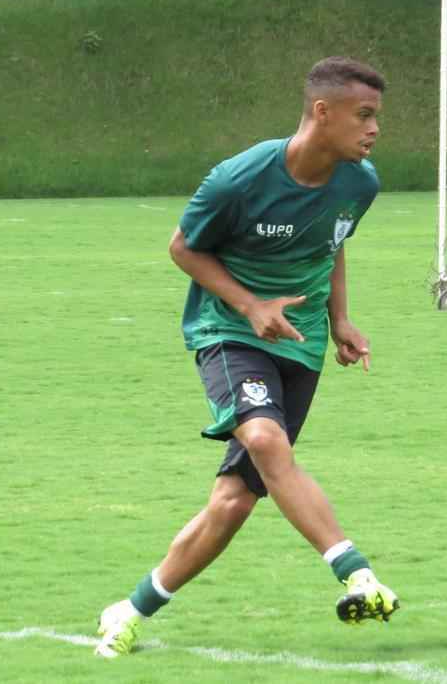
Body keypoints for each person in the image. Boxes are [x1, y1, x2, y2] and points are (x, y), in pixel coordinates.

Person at [95, 57, 398, 658]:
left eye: (376, 118)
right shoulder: (239, 179)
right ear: (322, 112)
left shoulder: (360, 183)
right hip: (228, 330)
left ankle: (130, 609)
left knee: (232, 503)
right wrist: (250, 304)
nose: (374, 130)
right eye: (363, 116)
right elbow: (184, 247)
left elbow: (333, 244)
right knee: (264, 438)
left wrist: (339, 320)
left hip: (302, 342)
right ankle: (356, 572)